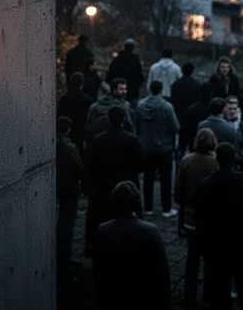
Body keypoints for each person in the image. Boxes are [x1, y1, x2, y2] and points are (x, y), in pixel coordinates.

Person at [195, 143, 243, 310]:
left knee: (220, 294)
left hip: (216, 247)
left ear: (217, 159)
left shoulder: (205, 185)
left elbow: (200, 217)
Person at [93, 181, 171, 310]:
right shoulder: (150, 231)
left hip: (114, 297)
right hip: (143, 298)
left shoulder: (103, 230)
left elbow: (98, 270)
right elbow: (162, 272)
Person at [84, 106, 145, 256]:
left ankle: (95, 246)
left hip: (103, 187)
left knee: (100, 218)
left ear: (109, 121)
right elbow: (141, 165)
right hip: (126, 185)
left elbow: (90, 165)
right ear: (124, 120)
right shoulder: (132, 140)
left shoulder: (98, 141)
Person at [175, 128, 219, 308]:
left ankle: (189, 296)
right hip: (211, 218)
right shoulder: (216, 164)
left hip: (191, 216)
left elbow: (177, 193)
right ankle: (209, 295)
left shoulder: (186, 161)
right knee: (210, 258)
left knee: (192, 257)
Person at [136, 80, 180, 217]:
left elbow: (137, 125)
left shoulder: (140, 105)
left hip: (146, 147)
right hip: (164, 148)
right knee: (166, 179)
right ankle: (166, 208)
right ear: (161, 90)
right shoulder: (167, 107)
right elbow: (175, 127)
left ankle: (148, 207)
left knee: (148, 179)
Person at [56, 116, 84, 268]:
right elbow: (78, 169)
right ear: (68, 129)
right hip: (69, 188)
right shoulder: (69, 148)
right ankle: (65, 253)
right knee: (68, 222)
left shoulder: (54, 144)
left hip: (58, 186)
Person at [57, 72, 93, 148]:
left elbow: (60, 114)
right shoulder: (87, 100)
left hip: (67, 131)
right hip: (81, 132)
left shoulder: (65, 99)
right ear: (82, 84)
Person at [107, 38, 146, 102]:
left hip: (117, 92)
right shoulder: (136, 61)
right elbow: (140, 76)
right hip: (133, 92)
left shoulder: (117, 60)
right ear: (133, 48)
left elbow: (110, 76)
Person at [180, 82, 212, 154]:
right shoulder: (213, 109)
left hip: (194, 141)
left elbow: (185, 128)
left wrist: (183, 145)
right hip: (210, 144)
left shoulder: (192, 109)